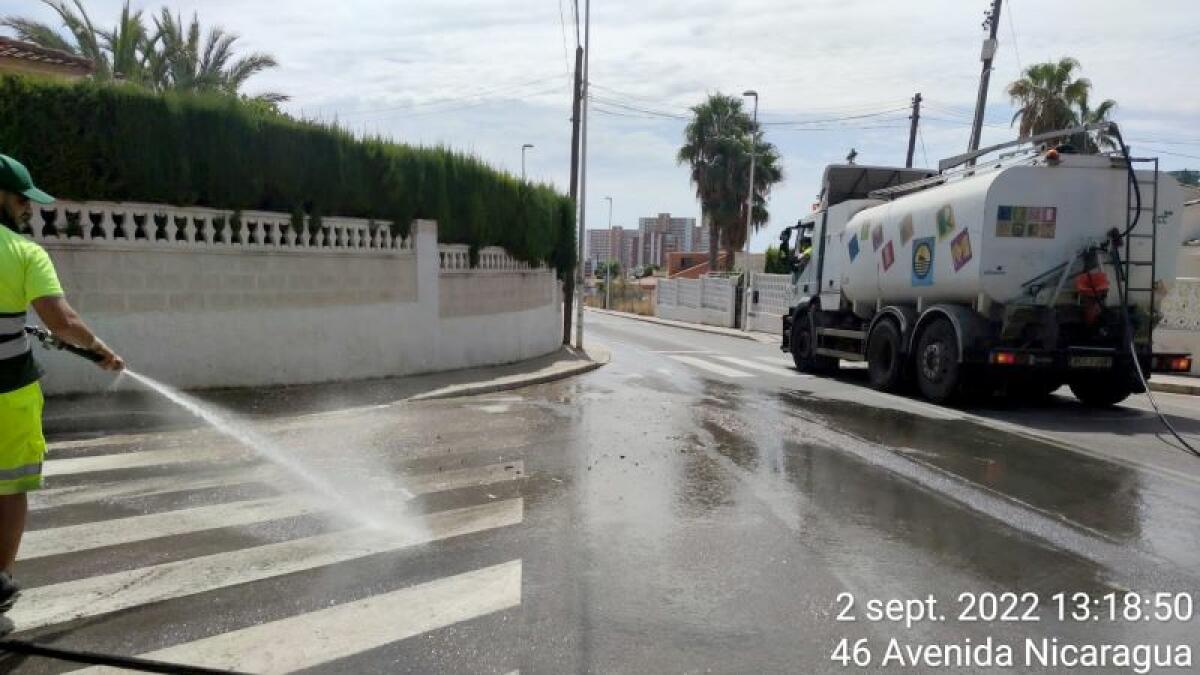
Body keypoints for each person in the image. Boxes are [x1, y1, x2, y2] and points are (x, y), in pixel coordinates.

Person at [0, 154, 124, 616]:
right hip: (7, 393)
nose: (27, 209)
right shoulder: (23, 253)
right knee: (9, 487)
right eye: (20, 199)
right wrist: (100, 350)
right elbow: (61, 320)